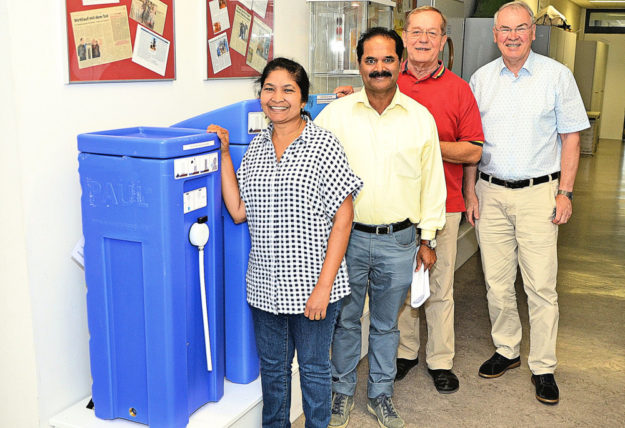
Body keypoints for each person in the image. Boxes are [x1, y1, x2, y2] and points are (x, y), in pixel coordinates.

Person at [333, 6, 484, 394]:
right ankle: (406, 355)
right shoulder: (352, 105)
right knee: (391, 306)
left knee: (435, 291)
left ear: (442, 41)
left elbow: (471, 152)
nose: (422, 39)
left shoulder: (451, 93)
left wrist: (428, 231)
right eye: (415, 31)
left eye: (431, 33)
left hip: (433, 209)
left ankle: (440, 361)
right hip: (365, 225)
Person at [209, 57, 362, 428]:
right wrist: (226, 154)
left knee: (313, 371)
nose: (277, 98)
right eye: (269, 89)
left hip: (313, 286)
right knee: (274, 375)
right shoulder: (258, 148)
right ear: (261, 96)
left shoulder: (323, 144)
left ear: (304, 99)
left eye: (288, 90)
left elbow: (344, 219)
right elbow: (239, 210)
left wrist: (324, 288)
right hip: (265, 287)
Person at [316, 28, 446, 428]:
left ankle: (381, 394)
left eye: (387, 60)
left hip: (400, 241)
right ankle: (341, 394)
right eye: (370, 60)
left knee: (387, 325)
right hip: (347, 240)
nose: (379, 68)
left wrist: (428, 239)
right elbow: (309, 161)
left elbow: (432, 181)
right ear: (359, 65)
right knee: (346, 321)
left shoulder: (420, 118)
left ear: (400, 62)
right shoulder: (336, 115)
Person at [464, 1, 589, 406]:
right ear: (494, 34)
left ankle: (544, 366)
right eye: (504, 29)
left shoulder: (557, 76)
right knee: (496, 281)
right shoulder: (480, 80)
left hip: (540, 194)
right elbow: (471, 144)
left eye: (520, 28)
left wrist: (565, 192)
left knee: (540, 285)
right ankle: (507, 350)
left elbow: (572, 136)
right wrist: (471, 191)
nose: (513, 36)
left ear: (533, 32)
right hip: (491, 192)